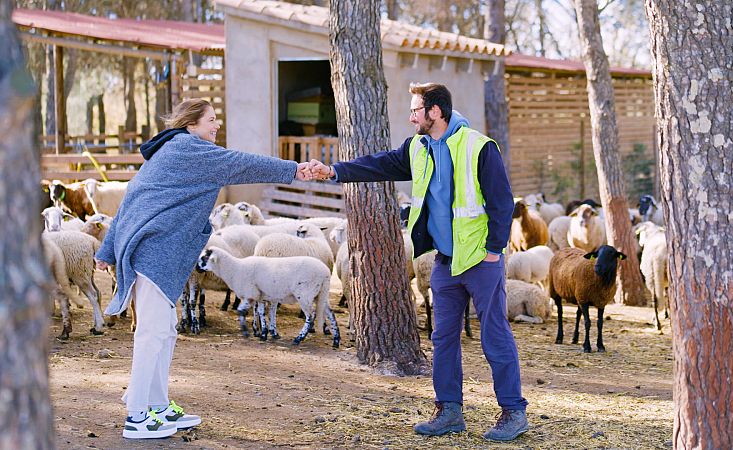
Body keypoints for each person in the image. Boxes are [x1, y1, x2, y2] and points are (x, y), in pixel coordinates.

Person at [307, 83, 528, 441]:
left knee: (494, 336)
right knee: (442, 338)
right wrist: (333, 172)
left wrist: (492, 250)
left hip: (480, 261)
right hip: (443, 263)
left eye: (415, 110)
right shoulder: (419, 148)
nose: (411, 117)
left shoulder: (478, 147)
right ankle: (449, 411)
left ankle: (514, 412)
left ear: (435, 112)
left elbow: (502, 202)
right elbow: (380, 165)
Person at [94, 99, 312, 439]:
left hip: (159, 253)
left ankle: (157, 406)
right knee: (151, 332)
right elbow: (242, 163)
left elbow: (132, 197)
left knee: (164, 329)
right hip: (154, 252)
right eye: (211, 120)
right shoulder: (188, 148)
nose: (216, 126)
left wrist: (108, 249)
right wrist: (294, 170)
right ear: (191, 123)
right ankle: (136, 416)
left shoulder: (172, 149)